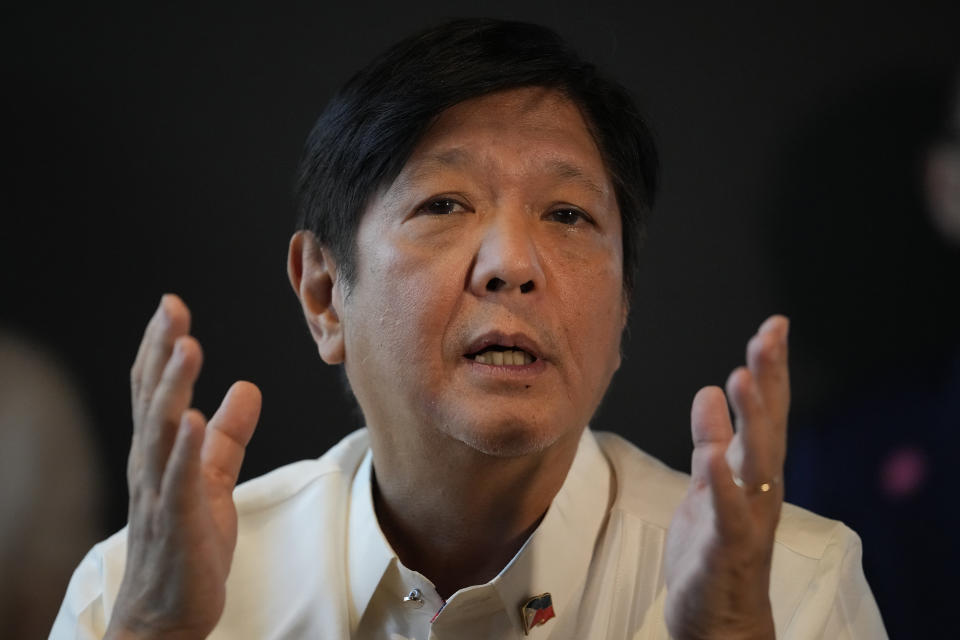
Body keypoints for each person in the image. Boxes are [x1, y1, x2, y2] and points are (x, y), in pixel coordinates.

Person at [51, 19, 885, 639]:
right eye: (445, 204)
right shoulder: (138, 591)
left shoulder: (785, 587)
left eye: (567, 214)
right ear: (322, 292)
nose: (512, 263)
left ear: (624, 306)